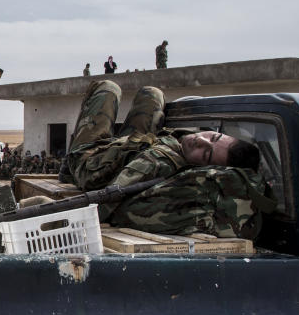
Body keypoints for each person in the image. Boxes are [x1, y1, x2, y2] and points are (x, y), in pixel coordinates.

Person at [66, 80, 272, 236]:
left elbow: (108, 200)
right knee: (152, 93)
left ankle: (68, 166)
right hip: (128, 148)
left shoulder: (157, 163)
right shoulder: (180, 143)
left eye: (206, 153)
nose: (201, 140)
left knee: (108, 88)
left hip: (90, 160)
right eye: (213, 136)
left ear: (201, 168)